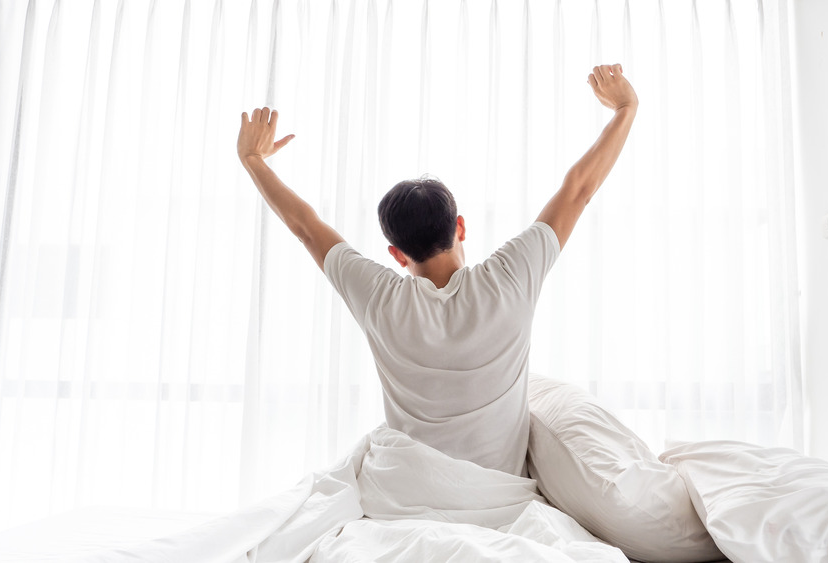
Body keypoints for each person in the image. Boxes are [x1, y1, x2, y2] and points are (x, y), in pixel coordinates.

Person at [237, 64, 638, 477]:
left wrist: (253, 159)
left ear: (396, 253)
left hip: (405, 492)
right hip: (497, 495)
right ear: (459, 226)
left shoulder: (379, 297)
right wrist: (625, 107)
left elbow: (306, 228)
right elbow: (578, 189)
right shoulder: (511, 277)